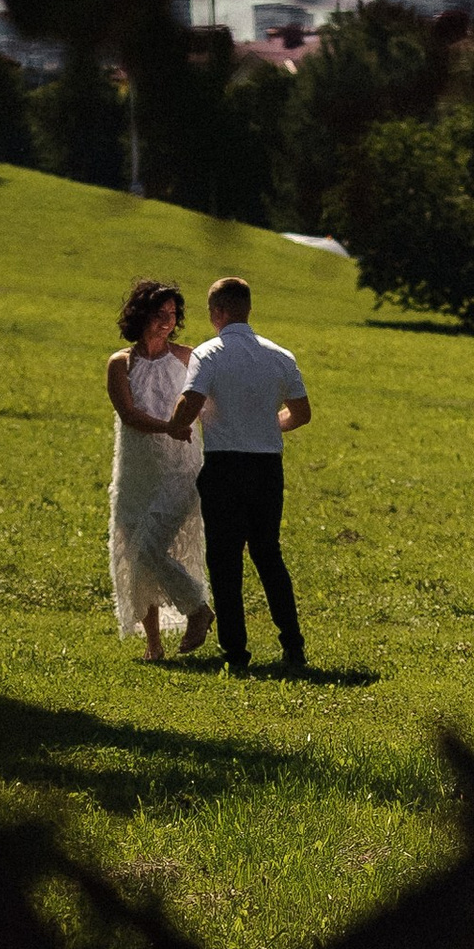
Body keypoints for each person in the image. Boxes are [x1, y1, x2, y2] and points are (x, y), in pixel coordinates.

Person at [171, 274, 310, 674]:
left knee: (225, 560)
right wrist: (268, 425)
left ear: (216, 312)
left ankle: (236, 654)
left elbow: (190, 401)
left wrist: (178, 424)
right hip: (267, 467)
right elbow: (301, 414)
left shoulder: (209, 353)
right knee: (269, 555)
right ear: (247, 308)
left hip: (225, 465)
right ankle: (293, 645)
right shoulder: (280, 355)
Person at [105, 276, 214, 664]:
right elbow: (129, 414)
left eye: (172, 315)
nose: (166, 321)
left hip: (180, 469)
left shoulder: (189, 357)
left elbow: (209, 406)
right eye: (159, 314)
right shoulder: (121, 362)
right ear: (140, 315)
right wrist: (168, 425)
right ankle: (154, 644)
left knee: (150, 547)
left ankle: (198, 609)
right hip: (136, 470)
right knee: (136, 552)